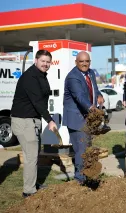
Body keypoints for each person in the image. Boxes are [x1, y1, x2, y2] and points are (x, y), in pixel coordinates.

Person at [11, 50, 57, 198]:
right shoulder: (30, 77)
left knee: (33, 155)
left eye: (48, 61)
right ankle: (28, 191)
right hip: (24, 121)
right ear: (36, 60)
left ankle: (32, 184)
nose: (45, 64)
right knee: (31, 157)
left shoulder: (40, 75)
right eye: (43, 61)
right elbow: (37, 102)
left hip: (32, 121)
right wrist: (49, 120)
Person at [63, 51, 104, 184]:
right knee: (81, 150)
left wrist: (98, 95)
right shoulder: (73, 77)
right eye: (81, 61)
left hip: (87, 118)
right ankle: (79, 179)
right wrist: (92, 108)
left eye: (87, 61)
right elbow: (79, 96)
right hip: (76, 118)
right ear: (76, 62)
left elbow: (94, 88)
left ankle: (85, 176)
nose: (84, 64)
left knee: (86, 148)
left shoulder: (90, 73)